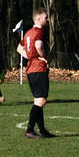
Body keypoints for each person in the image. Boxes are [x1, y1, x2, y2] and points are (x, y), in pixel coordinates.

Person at [16, 8, 55, 139]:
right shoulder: (39, 32)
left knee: (38, 99)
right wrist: (43, 57)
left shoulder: (28, 33)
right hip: (38, 68)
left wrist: (29, 56)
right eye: (46, 18)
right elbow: (38, 46)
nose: (47, 20)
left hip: (30, 68)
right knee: (41, 100)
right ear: (38, 19)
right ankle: (30, 130)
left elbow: (19, 48)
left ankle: (42, 130)